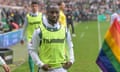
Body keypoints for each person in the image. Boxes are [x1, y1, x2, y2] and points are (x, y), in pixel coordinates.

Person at [28, 3, 75, 72]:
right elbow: (32, 50)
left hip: (62, 69)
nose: (54, 15)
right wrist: (41, 64)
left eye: (56, 12)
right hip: (46, 69)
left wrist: (71, 60)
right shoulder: (39, 31)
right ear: (47, 13)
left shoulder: (65, 30)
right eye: (52, 12)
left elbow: (70, 47)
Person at [21, 1, 42, 72]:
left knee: (41, 54)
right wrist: (22, 37)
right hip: (30, 38)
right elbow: (24, 27)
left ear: (38, 7)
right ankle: (32, 71)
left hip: (40, 38)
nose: (34, 8)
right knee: (30, 54)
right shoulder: (28, 16)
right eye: (33, 6)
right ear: (31, 7)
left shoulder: (41, 16)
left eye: (35, 6)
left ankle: (40, 69)